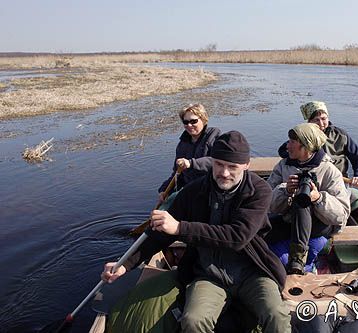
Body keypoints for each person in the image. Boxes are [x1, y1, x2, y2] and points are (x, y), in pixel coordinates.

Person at [102, 131, 291, 333]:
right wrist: (126, 264)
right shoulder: (193, 191)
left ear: (246, 165)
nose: (224, 172)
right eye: (218, 164)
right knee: (192, 321)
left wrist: (180, 227)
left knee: (276, 316)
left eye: (232, 167)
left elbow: (237, 236)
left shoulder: (260, 191)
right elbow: (159, 235)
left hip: (252, 272)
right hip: (209, 274)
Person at [267, 123, 350, 275]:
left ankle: (302, 261)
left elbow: (342, 215)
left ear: (305, 146)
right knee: (263, 240)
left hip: (317, 228)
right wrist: (285, 191)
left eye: (292, 142)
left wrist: (318, 198)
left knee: (302, 201)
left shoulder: (330, 171)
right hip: (289, 222)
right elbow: (267, 203)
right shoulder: (283, 166)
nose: (287, 146)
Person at [278, 101, 358, 186]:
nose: (321, 123)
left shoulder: (340, 135)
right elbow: (283, 150)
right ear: (309, 122)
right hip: (313, 179)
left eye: (324, 119)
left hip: (339, 180)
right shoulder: (303, 137)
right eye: (316, 120)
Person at [158, 103, 220, 201]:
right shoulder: (182, 145)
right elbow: (177, 173)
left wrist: (191, 163)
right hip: (191, 190)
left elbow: (218, 161)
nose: (189, 125)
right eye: (186, 122)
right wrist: (164, 190)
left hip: (211, 190)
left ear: (203, 120)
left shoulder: (214, 136)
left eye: (193, 121)